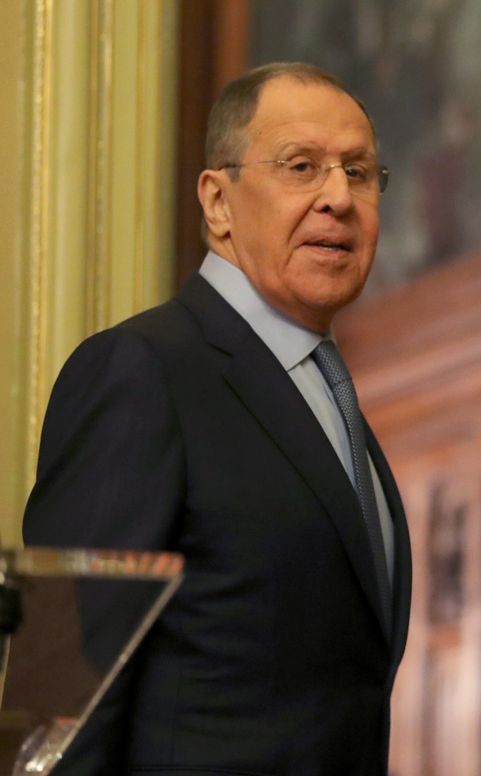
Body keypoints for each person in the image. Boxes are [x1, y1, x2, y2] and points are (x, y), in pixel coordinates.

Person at [23, 62, 410, 774]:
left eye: (359, 173)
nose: (338, 198)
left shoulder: (325, 391)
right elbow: (60, 710)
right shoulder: (141, 371)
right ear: (218, 201)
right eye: (301, 166)